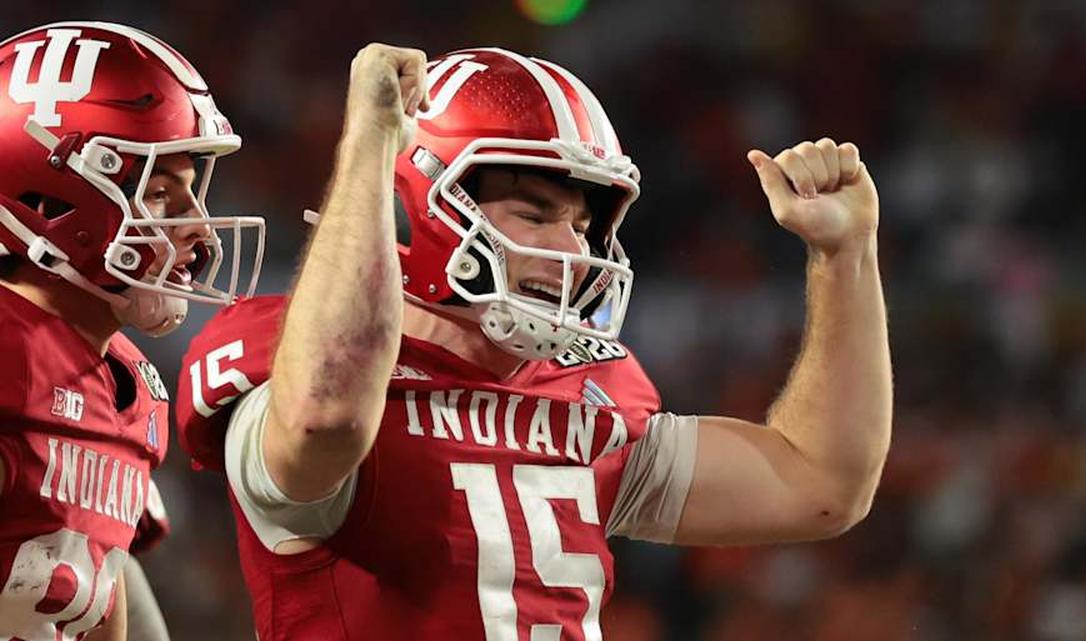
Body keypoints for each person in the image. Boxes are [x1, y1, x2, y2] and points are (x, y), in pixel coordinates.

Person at [177, 42, 891, 640]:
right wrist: (369, 143)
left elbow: (822, 484)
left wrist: (846, 257)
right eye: (535, 213)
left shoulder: (580, 392)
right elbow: (322, 416)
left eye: (582, 224)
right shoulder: (295, 369)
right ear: (414, 204)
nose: (573, 249)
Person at [0, 21, 263, 641]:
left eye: (191, 189)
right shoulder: (11, 355)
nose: (199, 230)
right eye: (160, 191)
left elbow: (103, 594)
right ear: (54, 190)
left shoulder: (130, 383)